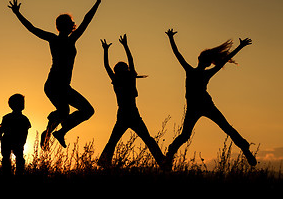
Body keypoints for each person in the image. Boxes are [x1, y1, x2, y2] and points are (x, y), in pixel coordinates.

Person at [8, 0, 101, 149]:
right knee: (67, 111)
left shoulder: (69, 39)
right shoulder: (57, 39)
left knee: (85, 110)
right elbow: (32, 28)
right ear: (64, 27)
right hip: (54, 85)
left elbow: (86, 21)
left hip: (63, 87)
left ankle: (58, 131)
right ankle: (52, 130)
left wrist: (97, 4)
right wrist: (18, 14)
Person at [164, 28, 257, 169]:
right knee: (224, 129)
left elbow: (178, 55)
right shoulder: (200, 72)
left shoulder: (192, 71)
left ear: (202, 61)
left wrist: (171, 38)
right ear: (206, 63)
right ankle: (169, 155)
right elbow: (179, 55)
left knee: (187, 135)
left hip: (202, 107)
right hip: (201, 107)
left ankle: (170, 154)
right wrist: (240, 46)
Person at [98, 34, 166, 168]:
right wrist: (124, 46)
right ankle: (162, 161)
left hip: (127, 114)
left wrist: (107, 51)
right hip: (130, 114)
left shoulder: (122, 79)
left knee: (114, 140)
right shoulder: (128, 78)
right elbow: (121, 62)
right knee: (146, 139)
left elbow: (107, 65)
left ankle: (104, 162)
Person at [0, 94, 31, 175]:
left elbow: (1, 129)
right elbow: (2, 129)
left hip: (14, 141)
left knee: (14, 158)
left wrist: (0, 136)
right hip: (11, 141)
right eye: (20, 103)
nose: (22, 104)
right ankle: (11, 174)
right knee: (11, 158)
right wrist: (0, 136)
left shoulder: (8, 117)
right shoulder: (22, 118)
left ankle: (14, 174)